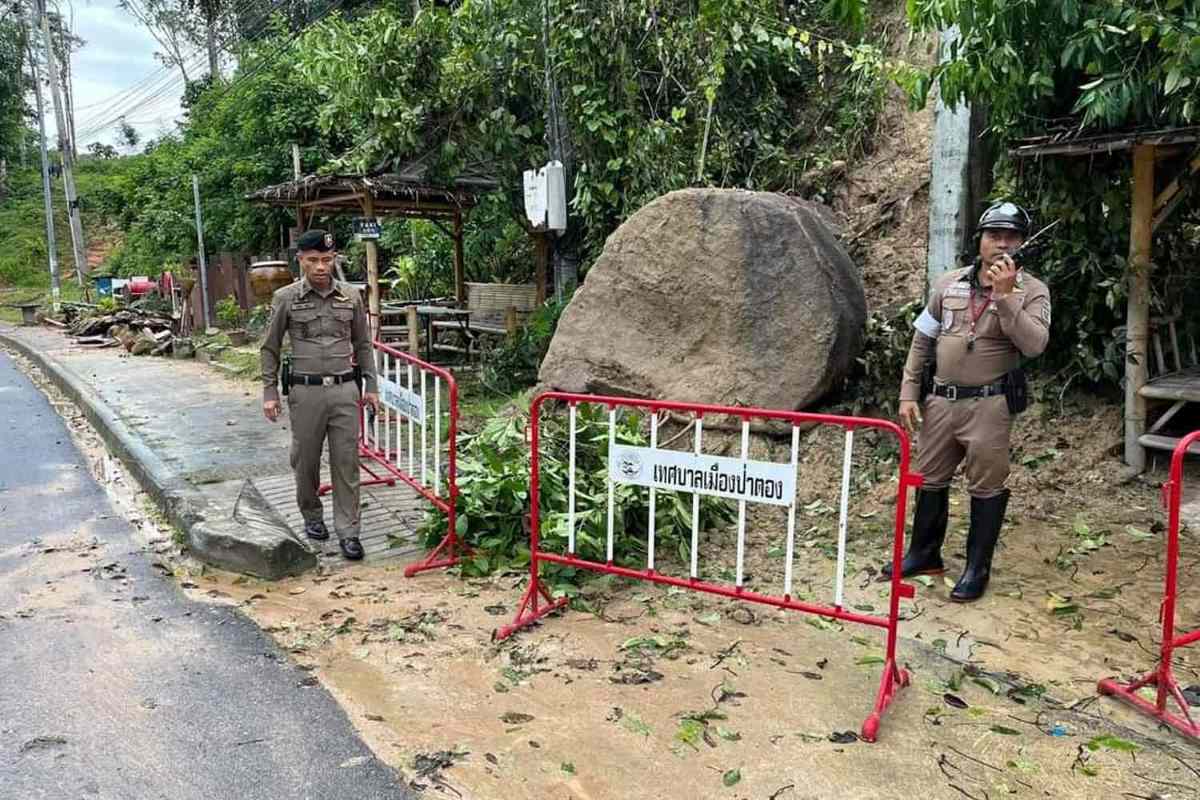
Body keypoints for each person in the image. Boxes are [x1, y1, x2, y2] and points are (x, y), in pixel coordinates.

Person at [885, 202, 1051, 601]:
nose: (1001, 243)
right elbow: (923, 338)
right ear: (979, 241)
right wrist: (909, 392)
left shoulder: (1033, 291)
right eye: (994, 235)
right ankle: (924, 553)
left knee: (986, 486)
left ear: (1022, 244)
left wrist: (1006, 297)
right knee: (930, 478)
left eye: (1010, 237)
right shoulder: (948, 284)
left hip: (989, 405)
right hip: (941, 401)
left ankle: (977, 568)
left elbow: (1035, 346)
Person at [260, 229, 379, 560]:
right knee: (305, 461)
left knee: (347, 462)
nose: (321, 267)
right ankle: (312, 515)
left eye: (327, 260)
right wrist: (270, 391)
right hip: (306, 392)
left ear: (334, 259)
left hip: (345, 391)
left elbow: (363, 345)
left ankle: (349, 532)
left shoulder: (351, 296)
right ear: (300, 261)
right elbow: (269, 347)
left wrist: (371, 386)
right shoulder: (286, 298)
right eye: (313, 260)